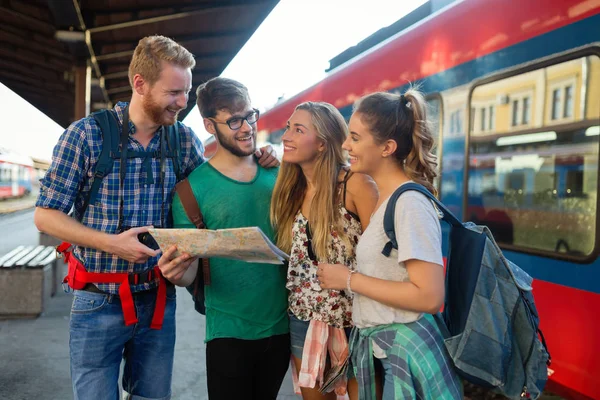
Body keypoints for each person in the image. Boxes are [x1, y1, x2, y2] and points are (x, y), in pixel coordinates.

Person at [34, 36, 277, 400]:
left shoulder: (183, 140)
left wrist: (255, 153)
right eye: (174, 92)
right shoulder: (85, 136)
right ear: (140, 84)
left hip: (157, 300)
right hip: (97, 299)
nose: (183, 102)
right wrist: (110, 243)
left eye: (187, 92)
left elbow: (214, 183)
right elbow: (45, 215)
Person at [317, 90, 463, 400]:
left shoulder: (409, 203)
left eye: (355, 138)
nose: (345, 145)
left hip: (405, 355)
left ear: (387, 147)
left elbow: (429, 296)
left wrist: (348, 279)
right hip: (387, 353)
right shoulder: (388, 199)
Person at [157, 77, 290, 400]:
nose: (246, 127)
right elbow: (188, 272)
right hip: (227, 331)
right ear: (209, 125)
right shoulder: (191, 191)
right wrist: (176, 273)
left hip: (285, 326)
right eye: (233, 120)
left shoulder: (279, 173)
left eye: (250, 116)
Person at [270, 101, 378, 399]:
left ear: (321, 143)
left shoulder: (355, 185)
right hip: (303, 318)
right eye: (288, 127)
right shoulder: (291, 189)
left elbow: (382, 257)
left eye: (298, 129)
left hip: (355, 321)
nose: (286, 136)